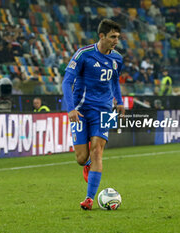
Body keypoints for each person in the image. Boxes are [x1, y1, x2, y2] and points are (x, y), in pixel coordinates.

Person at [62, 19, 125, 210]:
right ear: (102, 36)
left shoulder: (117, 59)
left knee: (98, 150)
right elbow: (67, 82)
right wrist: (71, 108)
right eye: (113, 37)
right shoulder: (84, 55)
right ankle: (88, 163)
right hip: (81, 109)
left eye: (118, 37)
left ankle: (89, 199)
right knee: (81, 158)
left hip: (104, 110)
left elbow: (114, 81)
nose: (116, 41)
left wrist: (119, 101)